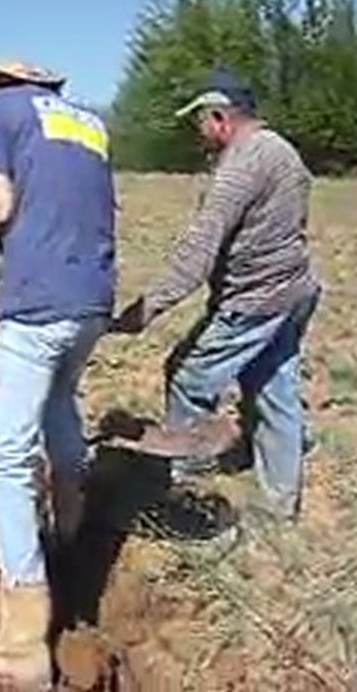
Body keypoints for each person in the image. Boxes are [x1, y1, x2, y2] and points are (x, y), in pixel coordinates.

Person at [0, 61, 117, 688]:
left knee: (3, 458)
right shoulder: (90, 123)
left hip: (37, 301)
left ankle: (21, 644)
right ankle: (67, 535)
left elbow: (0, 204)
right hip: (92, 300)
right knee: (59, 402)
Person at [114, 67, 321, 523]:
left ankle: (185, 488)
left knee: (188, 377)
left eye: (201, 121)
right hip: (295, 288)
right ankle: (281, 502)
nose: (199, 131)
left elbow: (197, 254)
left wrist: (143, 311)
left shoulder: (240, 168)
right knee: (274, 387)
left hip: (255, 300)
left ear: (221, 117)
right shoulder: (282, 151)